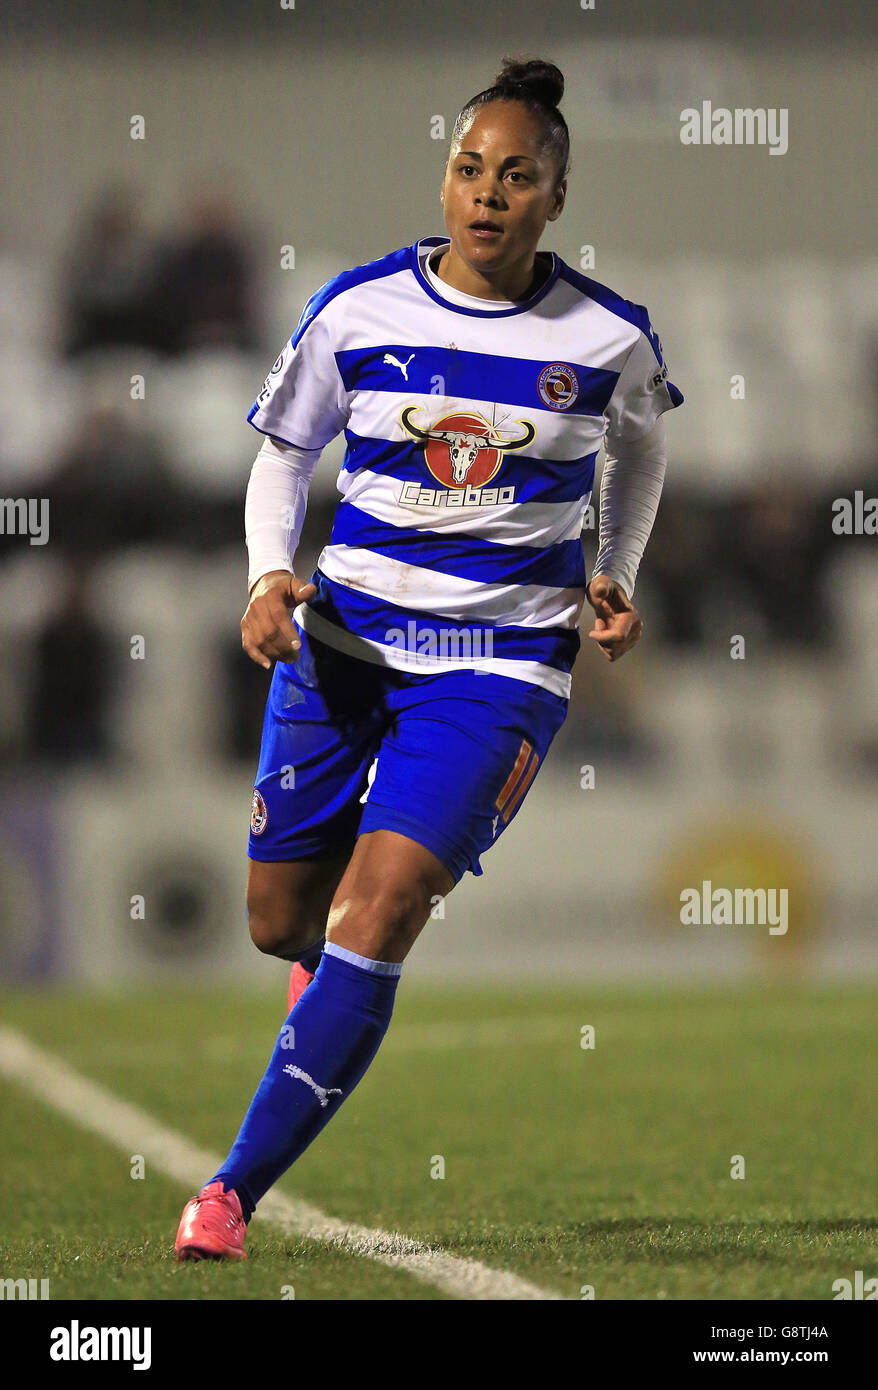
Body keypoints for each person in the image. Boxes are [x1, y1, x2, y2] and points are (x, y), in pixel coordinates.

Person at [174, 56, 683, 1261]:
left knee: (383, 902)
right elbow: (280, 454)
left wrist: (615, 566)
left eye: (517, 175)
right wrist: (264, 576)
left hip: (499, 664)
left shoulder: (609, 336)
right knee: (275, 919)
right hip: (343, 639)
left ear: (557, 194)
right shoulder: (357, 309)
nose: (487, 193)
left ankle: (228, 1194)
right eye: (468, 169)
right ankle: (325, 980)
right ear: (444, 178)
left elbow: (643, 448)